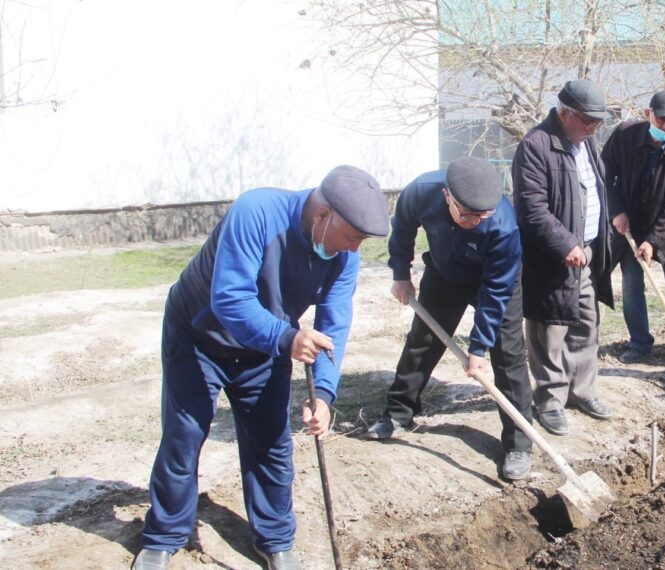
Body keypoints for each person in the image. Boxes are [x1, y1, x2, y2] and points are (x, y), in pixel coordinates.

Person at [132, 166, 390, 570]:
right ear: (323, 215)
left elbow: (333, 324)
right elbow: (230, 299)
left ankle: (274, 539)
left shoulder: (342, 256)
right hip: (200, 336)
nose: (354, 249)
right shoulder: (256, 212)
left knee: (271, 443)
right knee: (185, 436)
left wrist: (323, 394)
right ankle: (164, 535)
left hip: (267, 345)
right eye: (352, 237)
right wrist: (288, 339)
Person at [366, 157, 534, 481]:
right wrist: (400, 273)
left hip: (496, 282)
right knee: (422, 341)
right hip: (444, 273)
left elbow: (495, 292)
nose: (476, 220)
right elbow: (402, 227)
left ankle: (519, 444)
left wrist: (478, 348)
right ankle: (399, 412)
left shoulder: (503, 225)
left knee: (508, 355)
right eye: (468, 214)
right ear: (448, 197)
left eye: (482, 214)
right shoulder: (421, 191)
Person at [512, 79, 615, 436]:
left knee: (587, 324)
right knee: (549, 330)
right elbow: (531, 209)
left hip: (585, 254)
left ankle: (582, 391)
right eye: (587, 120)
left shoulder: (587, 142)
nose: (592, 128)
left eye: (598, 123)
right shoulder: (536, 145)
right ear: (565, 112)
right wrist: (564, 244)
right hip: (552, 258)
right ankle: (550, 400)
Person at [602, 90, 665, 373]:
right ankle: (639, 344)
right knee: (633, 286)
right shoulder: (624, 134)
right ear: (648, 114)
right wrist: (617, 210)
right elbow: (605, 173)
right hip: (630, 224)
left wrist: (654, 241)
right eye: (662, 120)